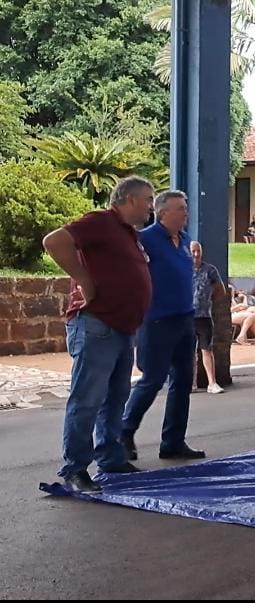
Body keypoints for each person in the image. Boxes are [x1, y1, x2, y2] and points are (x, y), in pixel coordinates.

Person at [42, 176, 154, 493]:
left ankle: (110, 457)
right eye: (148, 199)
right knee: (87, 399)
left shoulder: (128, 233)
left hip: (121, 328)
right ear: (130, 199)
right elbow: (54, 241)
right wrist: (83, 279)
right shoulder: (101, 222)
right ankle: (76, 468)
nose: (151, 206)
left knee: (115, 398)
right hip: (97, 324)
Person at [120, 190, 206, 463]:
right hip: (157, 320)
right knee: (153, 379)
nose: (186, 213)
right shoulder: (145, 239)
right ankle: (124, 432)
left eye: (185, 208)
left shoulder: (186, 241)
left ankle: (173, 441)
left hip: (184, 319)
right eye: (180, 209)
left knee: (182, 381)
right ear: (162, 212)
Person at [191, 241, 226, 395]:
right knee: (189, 351)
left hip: (204, 315)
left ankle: (212, 382)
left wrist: (208, 300)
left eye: (198, 251)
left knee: (206, 349)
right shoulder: (184, 269)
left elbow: (220, 290)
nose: (196, 254)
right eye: (193, 251)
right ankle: (191, 383)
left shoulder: (210, 270)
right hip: (187, 316)